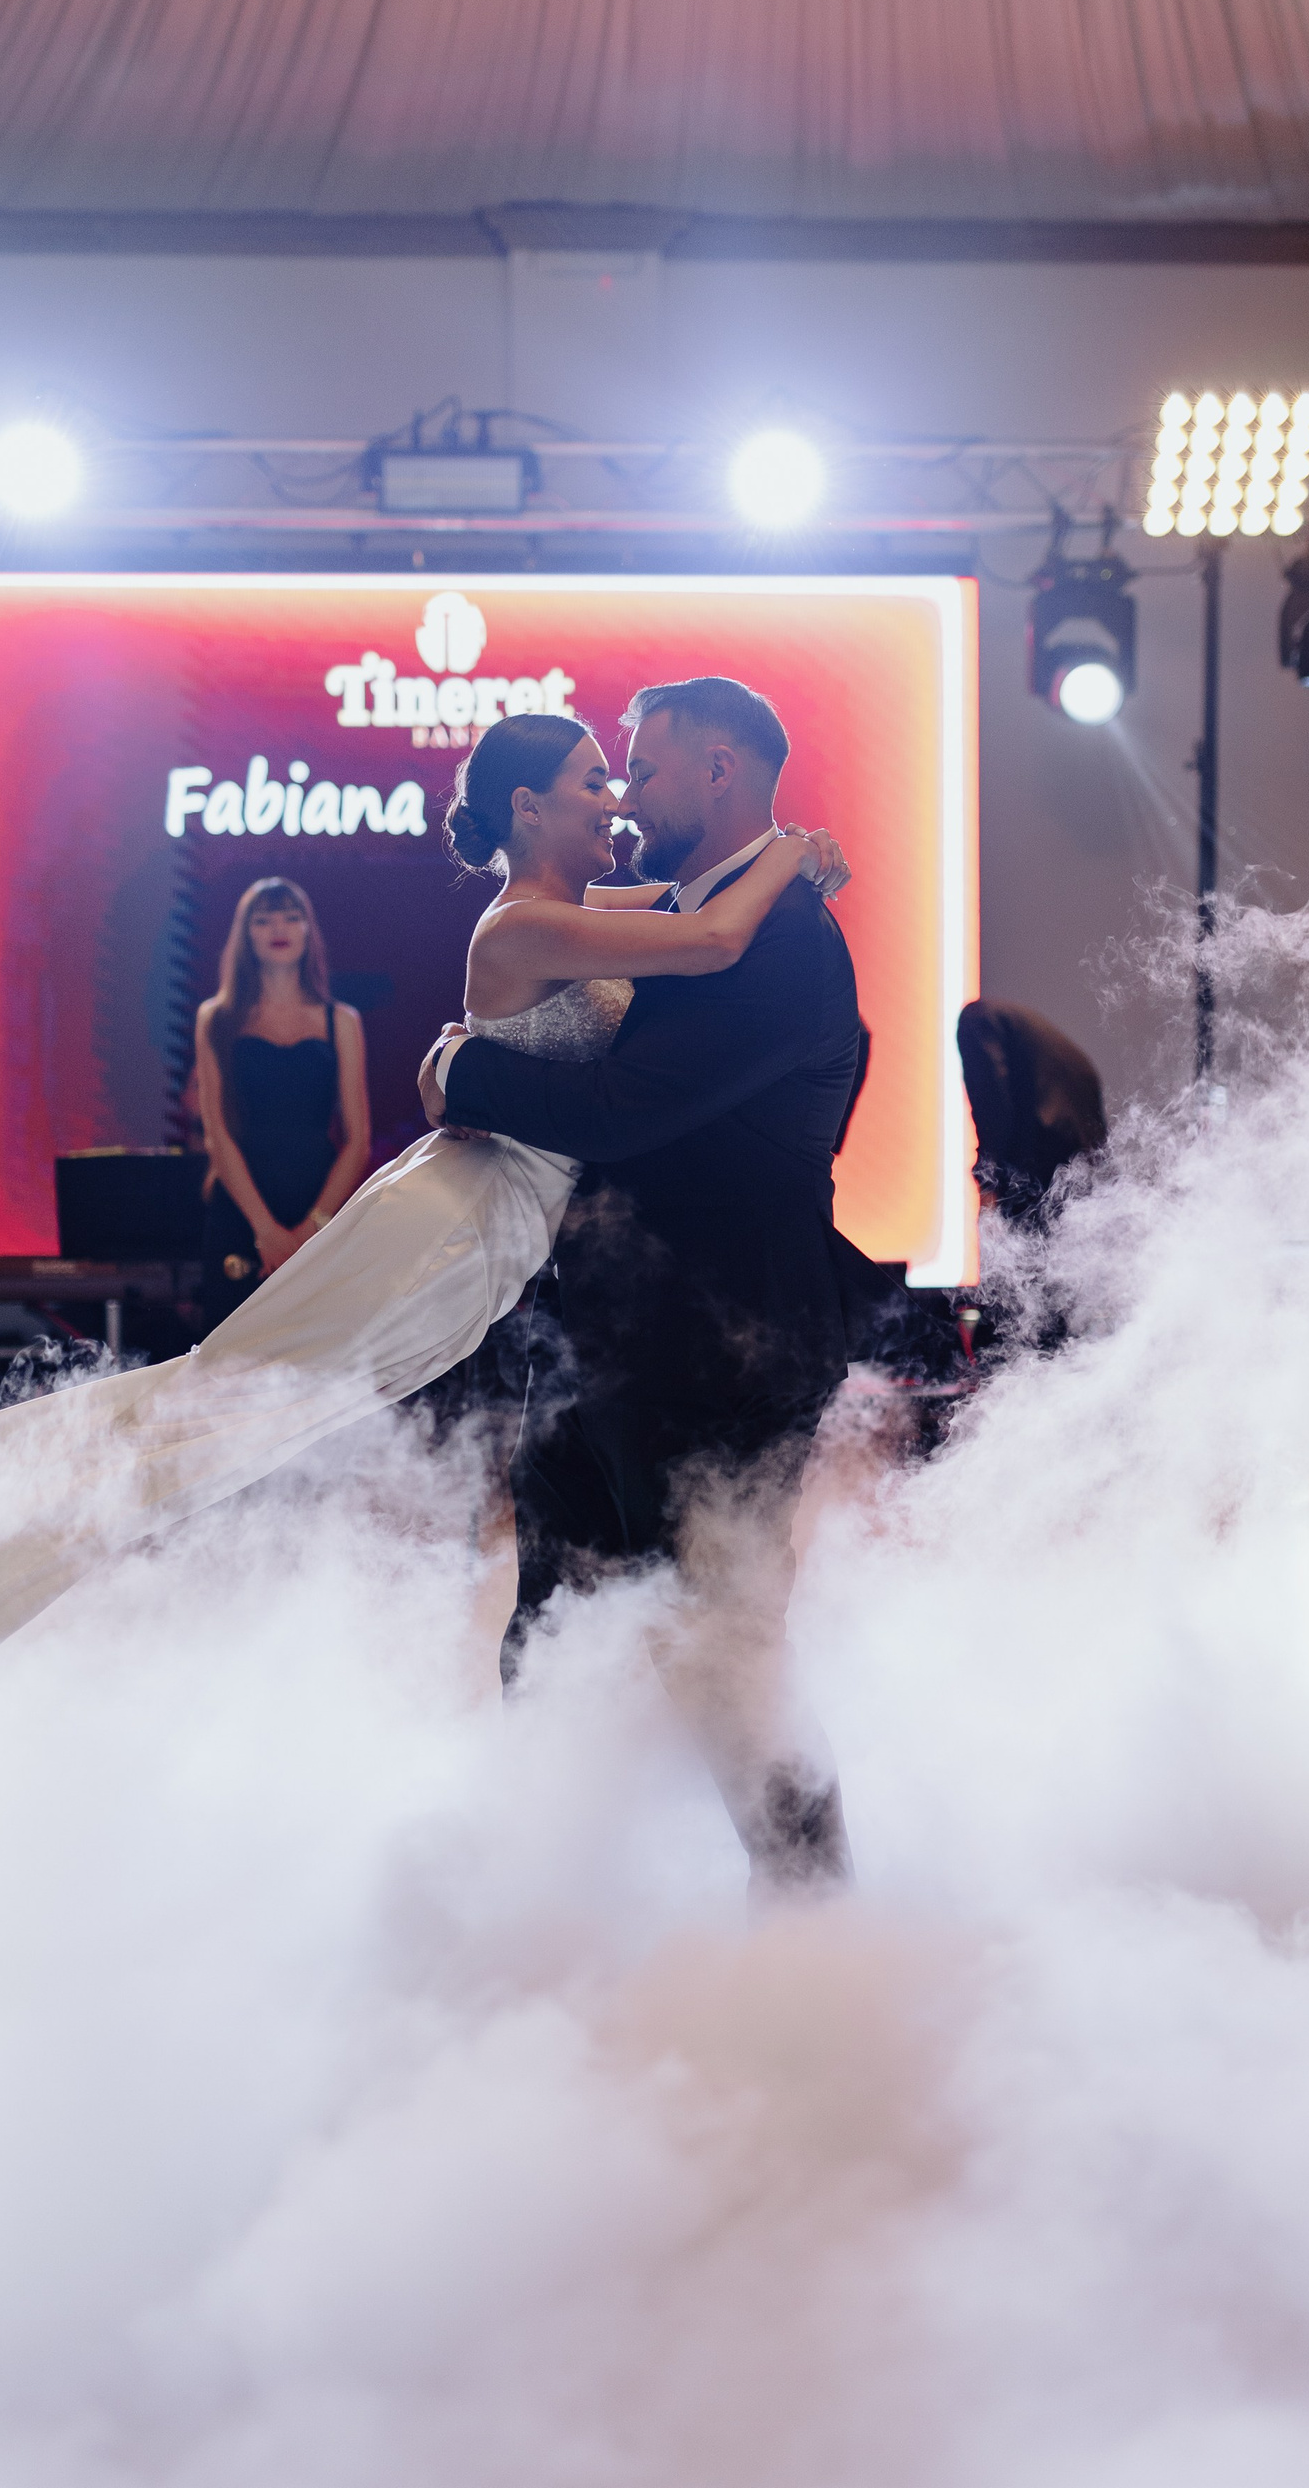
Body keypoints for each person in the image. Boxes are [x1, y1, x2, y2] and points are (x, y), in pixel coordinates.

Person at [0, 715, 842, 1702]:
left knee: (222, 1414)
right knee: (218, 1415)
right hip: (452, 1228)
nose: (616, 800)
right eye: (595, 779)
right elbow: (712, 937)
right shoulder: (520, 928)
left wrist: (791, 857)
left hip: (482, 1233)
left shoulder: (574, 911)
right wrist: (794, 850)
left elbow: (701, 906)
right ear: (527, 805)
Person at [420, 676, 864, 1905]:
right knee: (552, 1628)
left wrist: (459, 1071)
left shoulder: (781, 939)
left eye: (642, 769)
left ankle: (817, 1925)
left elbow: (623, 1111)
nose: (623, 798)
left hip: (728, 1353)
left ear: (719, 769)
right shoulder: (693, 905)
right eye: (604, 777)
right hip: (606, 1344)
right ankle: (544, 1903)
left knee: (728, 1657)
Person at [195, 878, 372, 1331]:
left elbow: (358, 1140)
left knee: (318, 1350)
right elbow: (217, 1134)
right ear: (246, 934)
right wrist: (266, 1231)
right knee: (232, 1351)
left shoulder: (341, 1021)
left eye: (292, 917)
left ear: (308, 930)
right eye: (264, 919)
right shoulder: (216, 1018)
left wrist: (312, 1227)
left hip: (318, 1198)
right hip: (242, 1204)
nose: (279, 928)